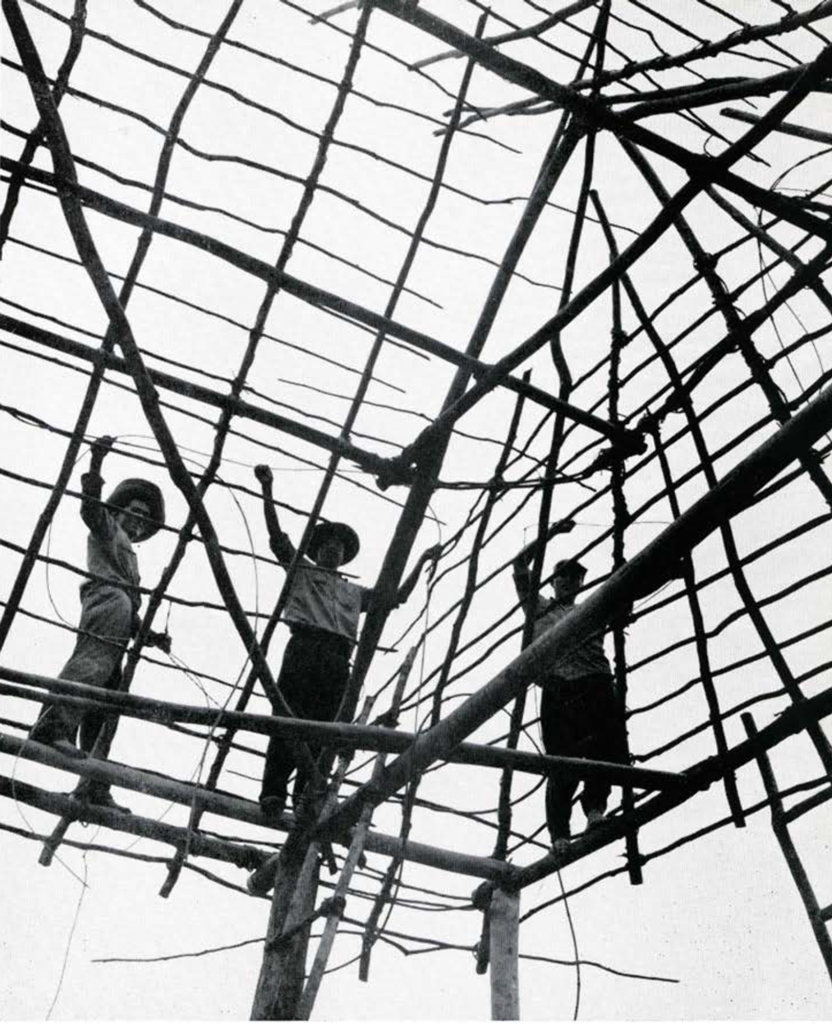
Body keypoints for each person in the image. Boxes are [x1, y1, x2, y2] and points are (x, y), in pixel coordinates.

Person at [254, 463, 441, 818]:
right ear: (317, 550)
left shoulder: (353, 592)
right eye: (327, 545)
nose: (333, 551)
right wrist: (267, 488)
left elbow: (394, 597)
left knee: (327, 727)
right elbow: (277, 538)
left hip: (338, 658)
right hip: (304, 648)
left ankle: (306, 794)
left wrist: (421, 560)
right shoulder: (303, 573)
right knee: (289, 717)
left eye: (339, 548)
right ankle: (273, 791)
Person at [29, 436, 170, 813]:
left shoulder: (132, 556)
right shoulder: (108, 528)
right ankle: (53, 725)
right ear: (120, 510)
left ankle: (94, 781)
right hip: (106, 601)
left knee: (106, 700)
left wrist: (150, 635)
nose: (138, 522)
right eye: (134, 513)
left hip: (121, 615)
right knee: (91, 664)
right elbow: (90, 509)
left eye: (144, 519)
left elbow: (132, 609)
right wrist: (96, 462)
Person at [513, 524, 627, 853]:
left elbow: (628, 594)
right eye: (561, 575)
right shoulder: (539, 607)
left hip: (595, 680)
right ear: (553, 581)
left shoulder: (592, 609)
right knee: (562, 759)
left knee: (603, 750)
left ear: (580, 584)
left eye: (574, 577)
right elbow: (519, 566)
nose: (567, 580)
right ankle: (559, 834)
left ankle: (594, 811)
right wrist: (552, 533)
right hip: (558, 683)